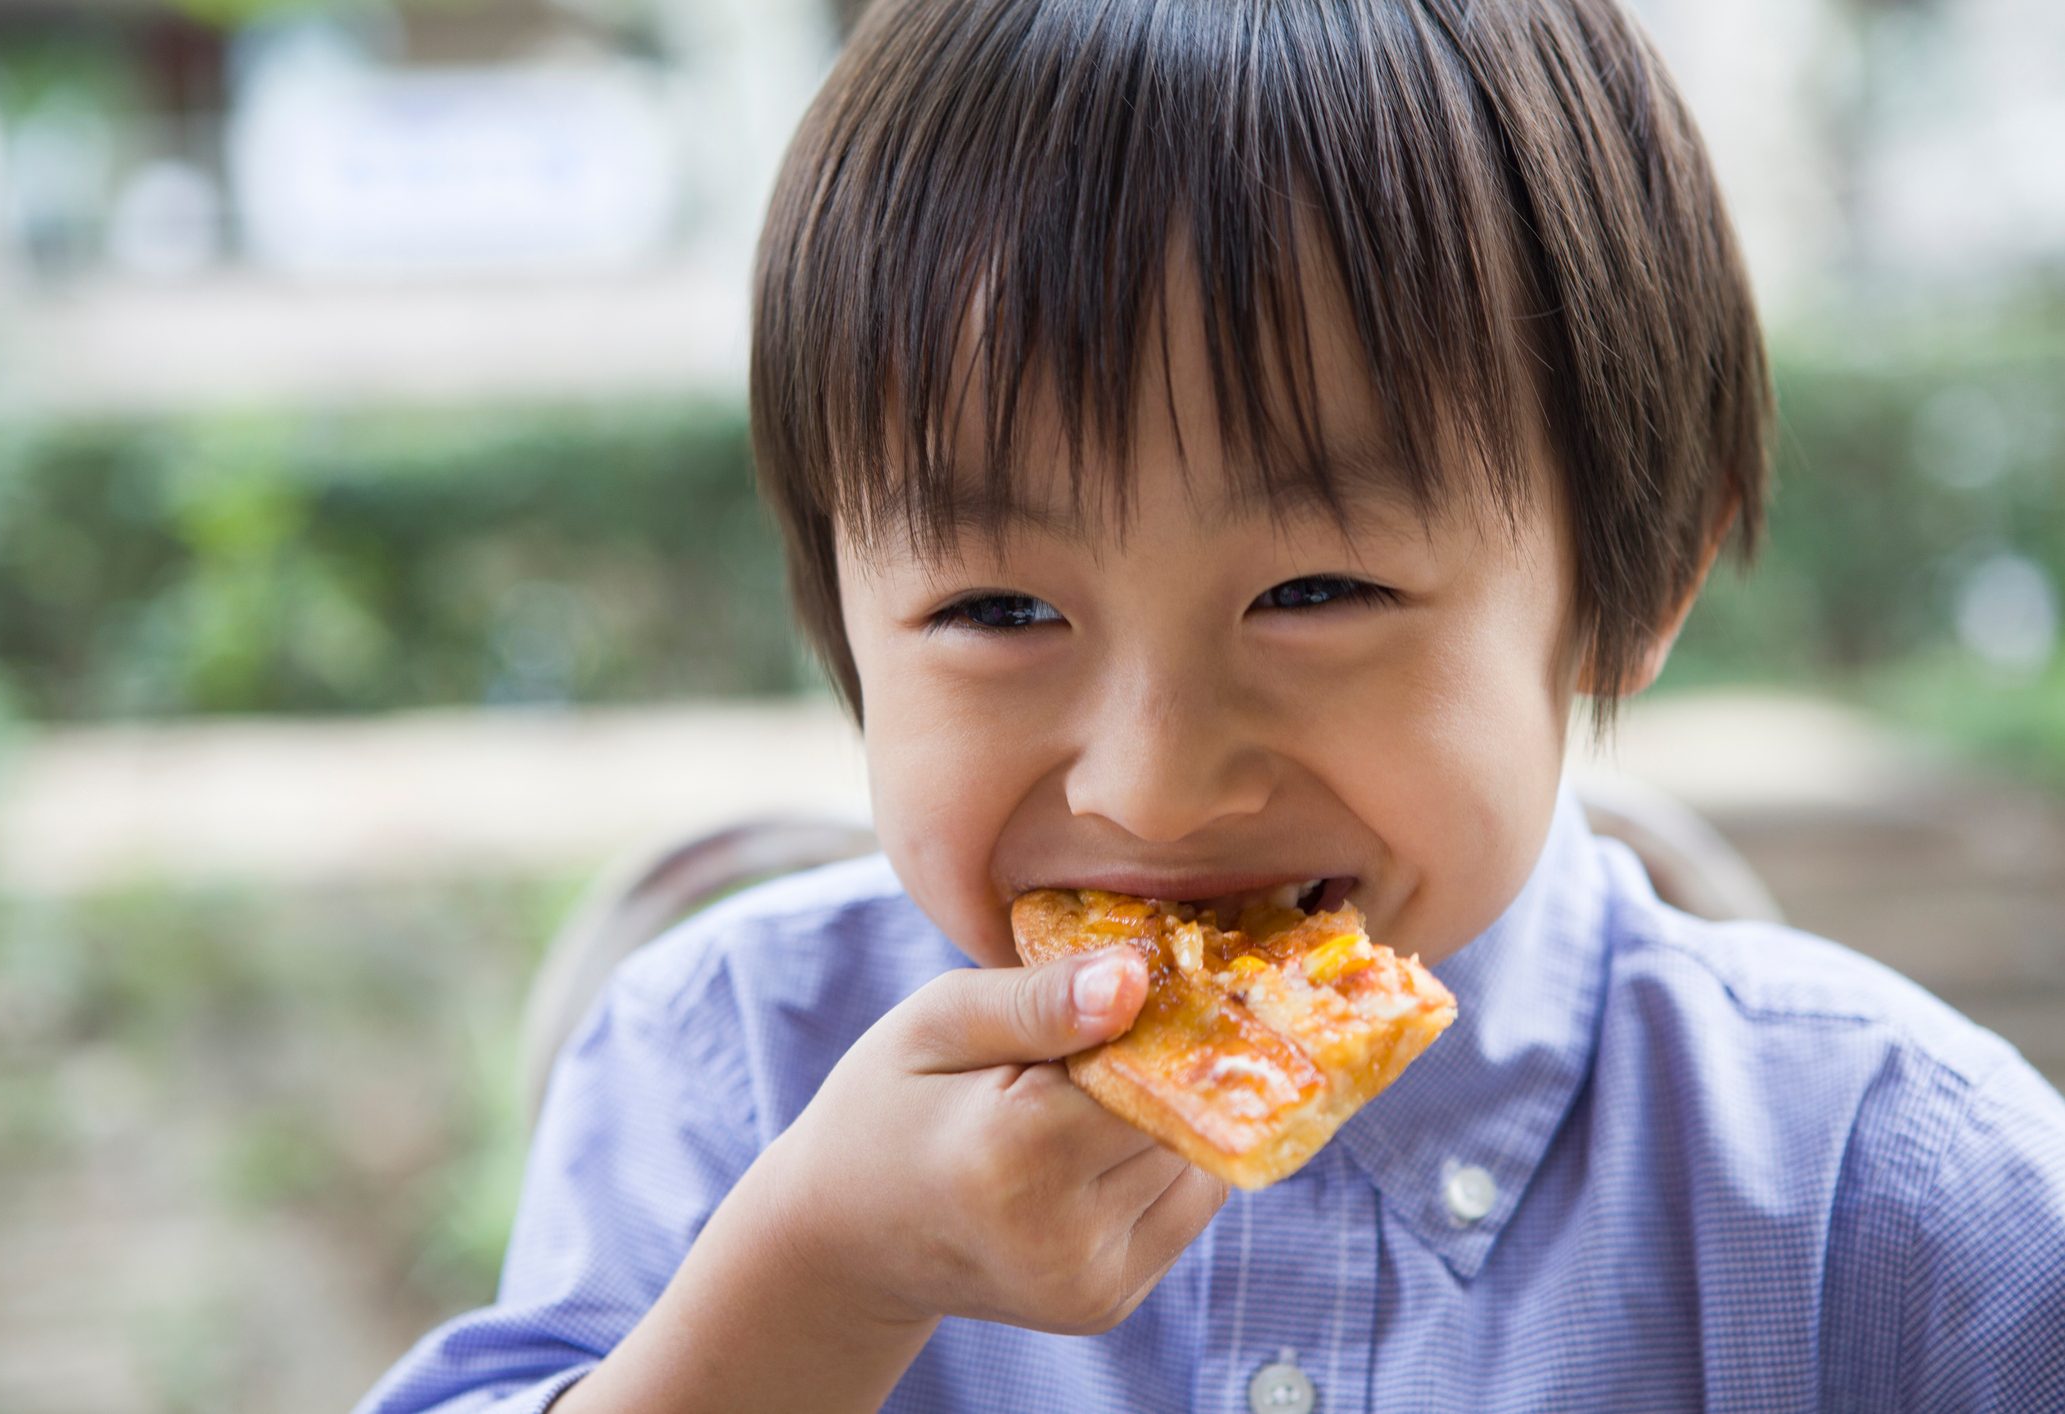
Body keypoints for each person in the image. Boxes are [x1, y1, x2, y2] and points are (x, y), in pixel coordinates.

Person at [356, 1, 2065, 1409]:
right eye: (998, 609)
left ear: (1633, 580)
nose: (1156, 789)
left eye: (1312, 593)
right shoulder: (722, 1073)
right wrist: (814, 1278)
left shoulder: (1895, 1196)